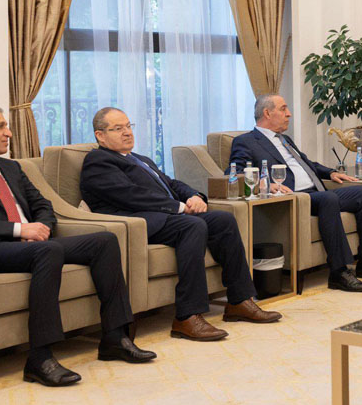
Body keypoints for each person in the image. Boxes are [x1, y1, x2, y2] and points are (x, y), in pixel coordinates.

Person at [0, 103, 154, 387]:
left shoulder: (10, 167)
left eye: (6, 126)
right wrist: (20, 229)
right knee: (49, 250)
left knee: (104, 241)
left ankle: (114, 337)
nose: (8, 133)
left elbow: (42, 204)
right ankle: (39, 357)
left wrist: (42, 227)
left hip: (33, 243)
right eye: (0, 127)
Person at [80, 107, 281, 342]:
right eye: (118, 128)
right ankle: (187, 316)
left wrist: (193, 196)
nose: (127, 132)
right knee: (192, 226)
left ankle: (239, 301)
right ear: (100, 136)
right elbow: (130, 195)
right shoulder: (98, 162)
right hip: (138, 223)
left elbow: (172, 183)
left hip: (166, 217)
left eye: (128, 126)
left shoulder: (140, 159)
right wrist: (179, 207)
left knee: (222, 220)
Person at [227, 94, 362, 293]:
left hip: (317, 194)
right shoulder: (246, 141)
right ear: (267, 113)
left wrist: (331, 173)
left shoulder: (285, 140)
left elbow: (308, 164)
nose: (289, 114)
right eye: (283, 109)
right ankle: (339, 272)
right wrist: (265, 185)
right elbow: (233, 173)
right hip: (295, 198)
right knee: (328, 198)